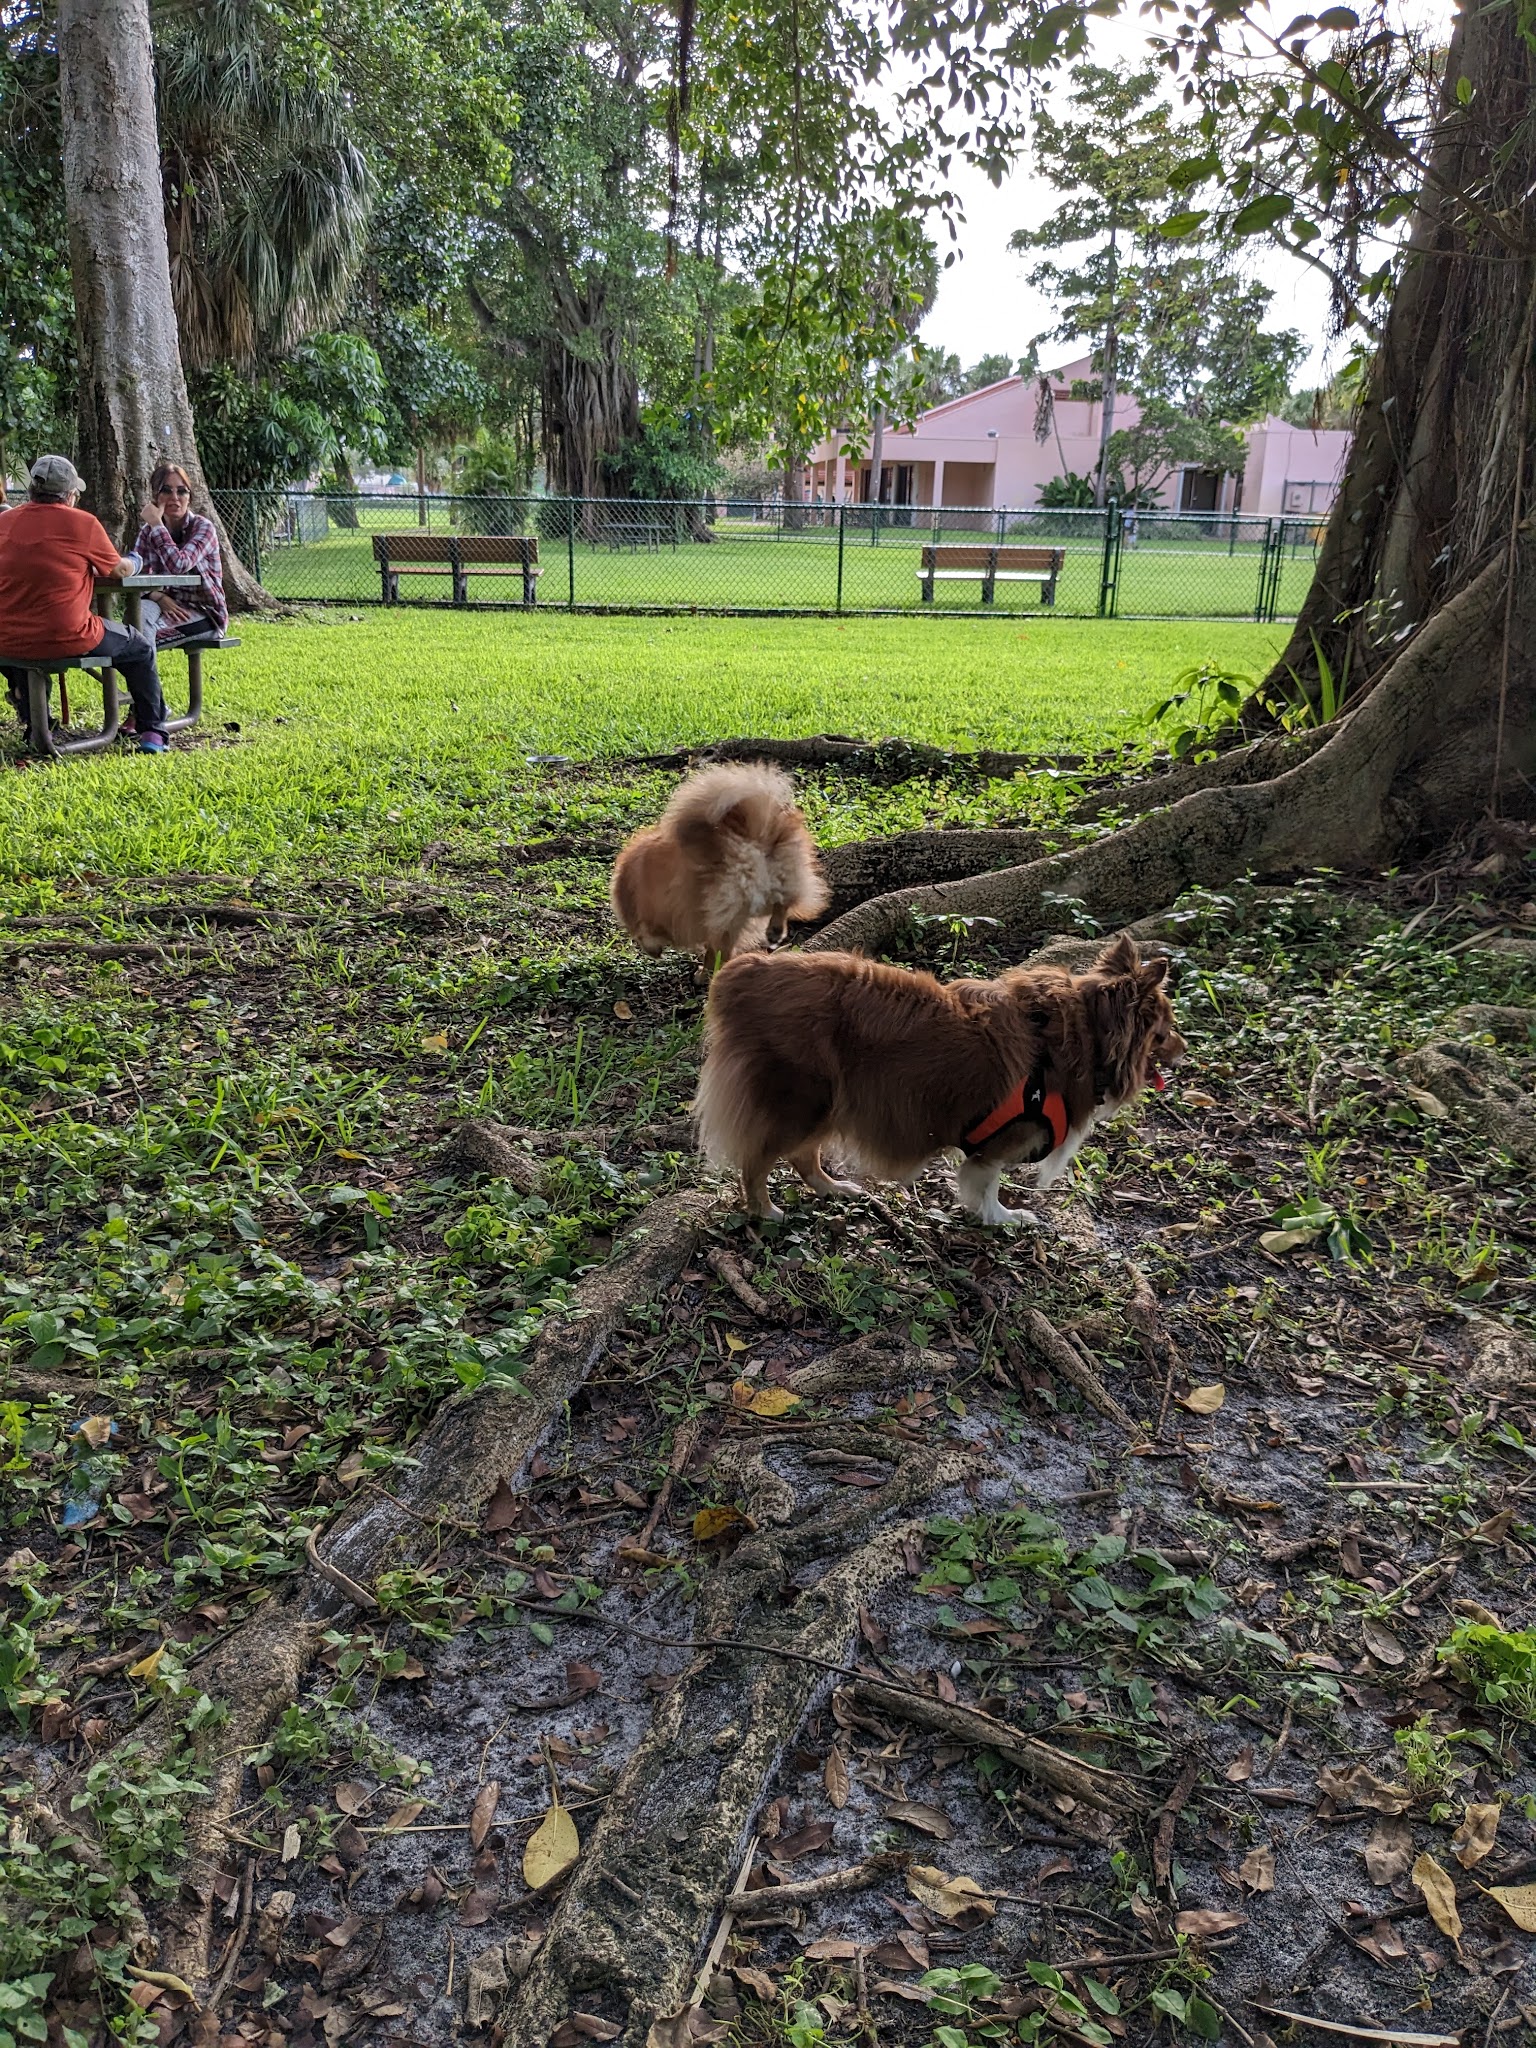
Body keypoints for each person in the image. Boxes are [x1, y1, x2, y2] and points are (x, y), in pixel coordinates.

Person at [0, 454, 170, 753]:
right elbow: (117, 571)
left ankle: (35, 723)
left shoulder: (4, 521)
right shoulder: (83, 523)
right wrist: (134, 561)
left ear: (31, 491)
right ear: (69, 495)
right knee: (140, 649)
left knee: (21, 653)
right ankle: (153, 731)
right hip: (67, 635)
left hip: (5, 639)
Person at [132, 462, 227, 646]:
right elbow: (136, 572)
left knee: (139, 640)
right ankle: (143, 673)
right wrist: (157, 596)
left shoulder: (203, 527)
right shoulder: (147, 531)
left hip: (204, 613)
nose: (174, 498)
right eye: (166, 490)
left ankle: (142, 673)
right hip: (162, 604)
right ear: (155, 496)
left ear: (189, 497)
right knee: (136, 620)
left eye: (182, 491)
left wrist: (157, 525)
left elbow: (179, 565)